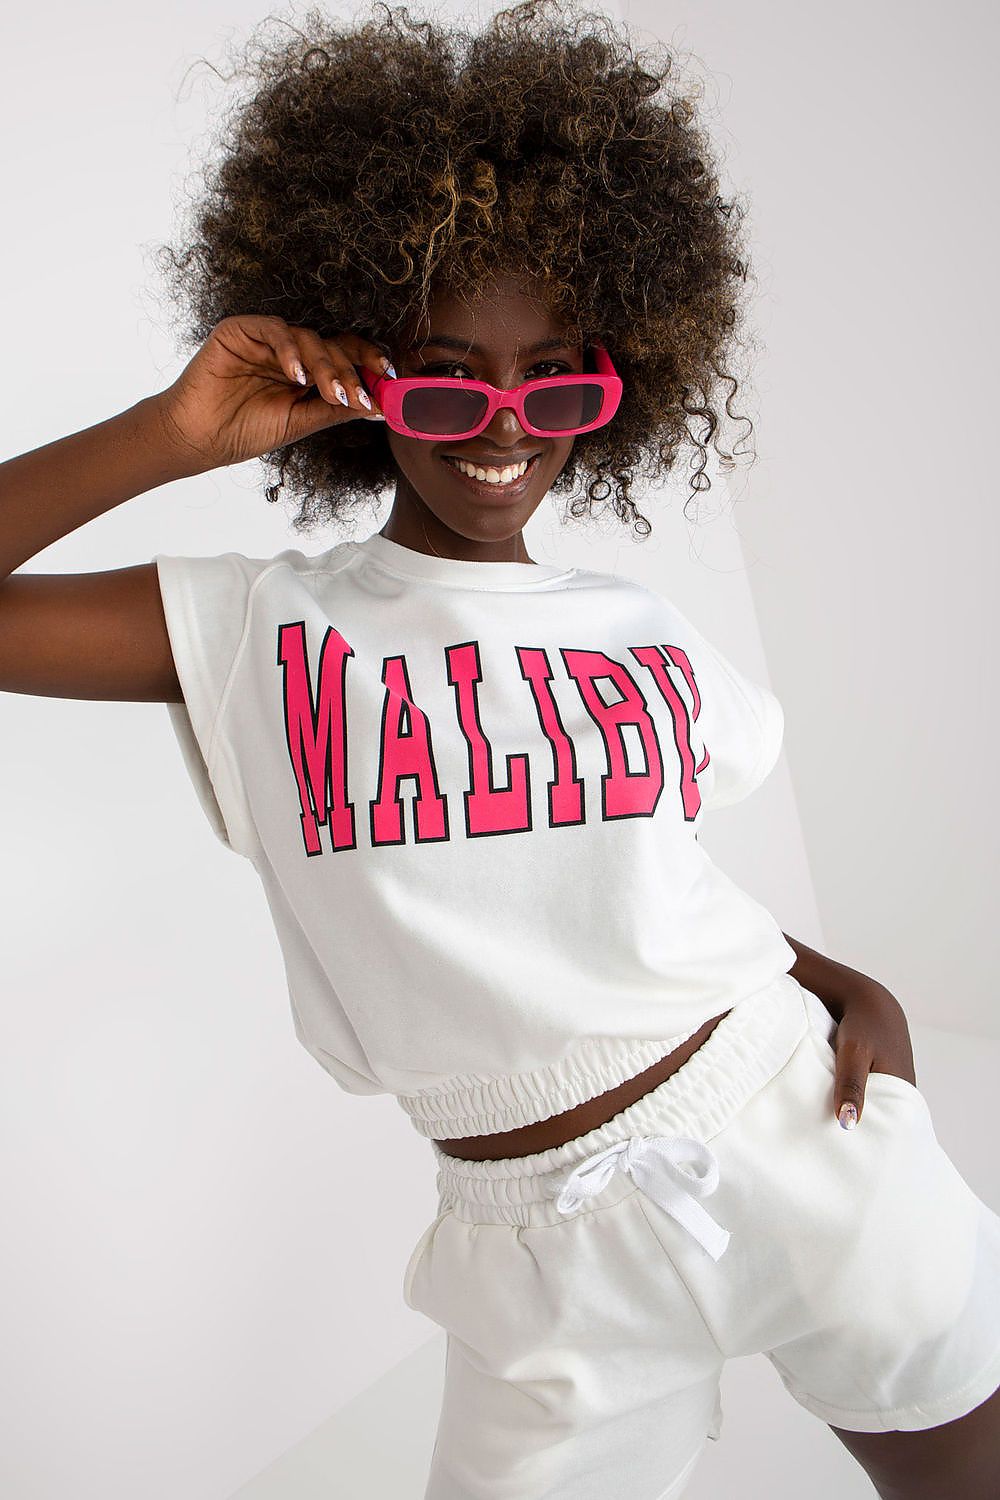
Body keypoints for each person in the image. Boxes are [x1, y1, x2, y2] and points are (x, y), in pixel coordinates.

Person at [1, 1, 997, 1495]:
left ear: (621, 383)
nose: (504, 428)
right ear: (361, 379)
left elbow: (626, 881)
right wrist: (171, 432)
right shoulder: (261, 628)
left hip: (805, 1131)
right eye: (448, 377)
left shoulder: (640, 631)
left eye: (558, 384)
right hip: (532, 1255)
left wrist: (852, 988)